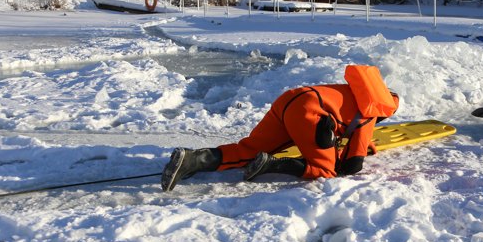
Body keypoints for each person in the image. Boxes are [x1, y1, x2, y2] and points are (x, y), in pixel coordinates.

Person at [161, 66, 400, 192]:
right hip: (311, 112)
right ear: (385, 110)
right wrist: (353, 150)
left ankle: (192, 160)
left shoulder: (354, 92)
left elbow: (341, 116)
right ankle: (270, 164)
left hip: (291, 99)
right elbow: (352, 166)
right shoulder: (370, 114)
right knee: (325, 169)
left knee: (249, 148)